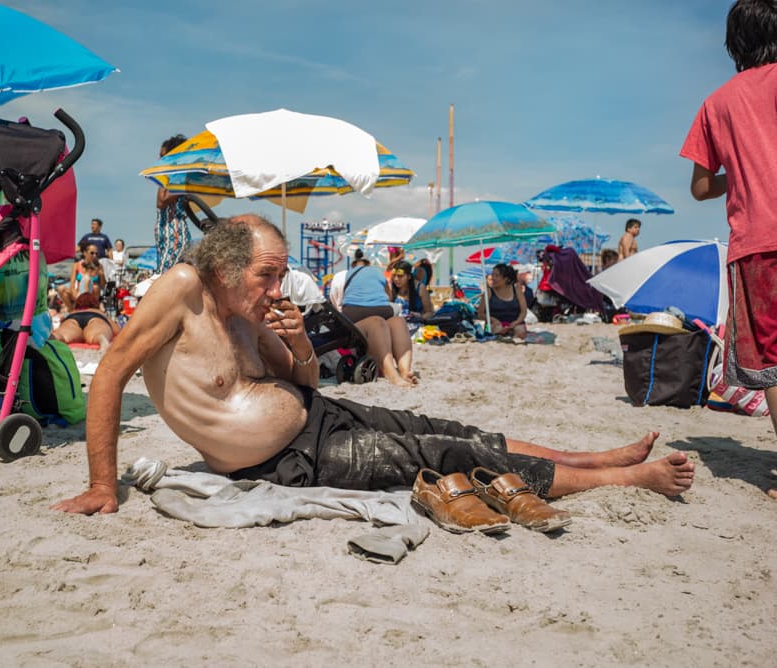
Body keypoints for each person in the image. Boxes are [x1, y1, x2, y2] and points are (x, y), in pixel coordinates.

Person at [53, 214, 695, 516]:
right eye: (267, 274)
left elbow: (300, 381)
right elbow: (109, 374)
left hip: (317, 413)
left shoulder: (249, 308)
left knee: (447, 431)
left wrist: (300, 340)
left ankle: (591, 458)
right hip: (281, 460)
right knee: (443, 459)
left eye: (283, 275)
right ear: (223, 264)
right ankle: (626, 481)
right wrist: (104, 485)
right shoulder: (182, 290)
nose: (277, 288)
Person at [680, 0, 777, 507]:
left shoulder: (717, 103)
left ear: (735, 44)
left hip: (760, 243)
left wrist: (750, 169)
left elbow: (702, 188)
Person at [340, 256, 417, 386]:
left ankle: (392, 375)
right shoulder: (377, 272)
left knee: (377, 323)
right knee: (398, 321)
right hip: (381, 309)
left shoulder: (346, 274)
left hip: (353, 313)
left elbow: (340, 299)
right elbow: (389, 296)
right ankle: (405, 371)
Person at [156, 134, 192, 274]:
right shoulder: (172, 176)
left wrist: (164, 173)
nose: (160, 159)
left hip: (175, 232)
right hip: (165, 230)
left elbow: (162, 201)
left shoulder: (180, 176)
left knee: (164, 275)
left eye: (163, 156)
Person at [52, 292, 119, 350]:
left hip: (73, 317)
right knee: (99, 334)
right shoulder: (98, 311)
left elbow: (60, 325)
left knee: (62, 336)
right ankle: (101, 339)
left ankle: (55, 338)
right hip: (95, 316)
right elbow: (116, 330)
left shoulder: (73, 311)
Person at [481, 263, 527, 341]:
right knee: (496, 329)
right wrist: (493, 320)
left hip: (514, 323)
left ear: (506, 279)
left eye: (496, 276)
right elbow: (480, 314)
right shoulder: (488, 292)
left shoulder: (516, 290)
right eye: (492, 275)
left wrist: (516, 322)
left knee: (521, 332)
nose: (493, 278)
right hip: (493, 324)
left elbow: (523, 311)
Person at [58, 243, 105, 312]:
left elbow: (102, 286)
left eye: (96, 253)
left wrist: (101, 275)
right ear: (85, 253)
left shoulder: (99, 266)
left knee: (96, 287)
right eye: (92, 253)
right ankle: (71, 310)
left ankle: (93, 309)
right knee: (61, 288)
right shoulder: (77, 265)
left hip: (91, 294)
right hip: (78, 292)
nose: (94, 255)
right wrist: (74, 293)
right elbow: (72, 283)